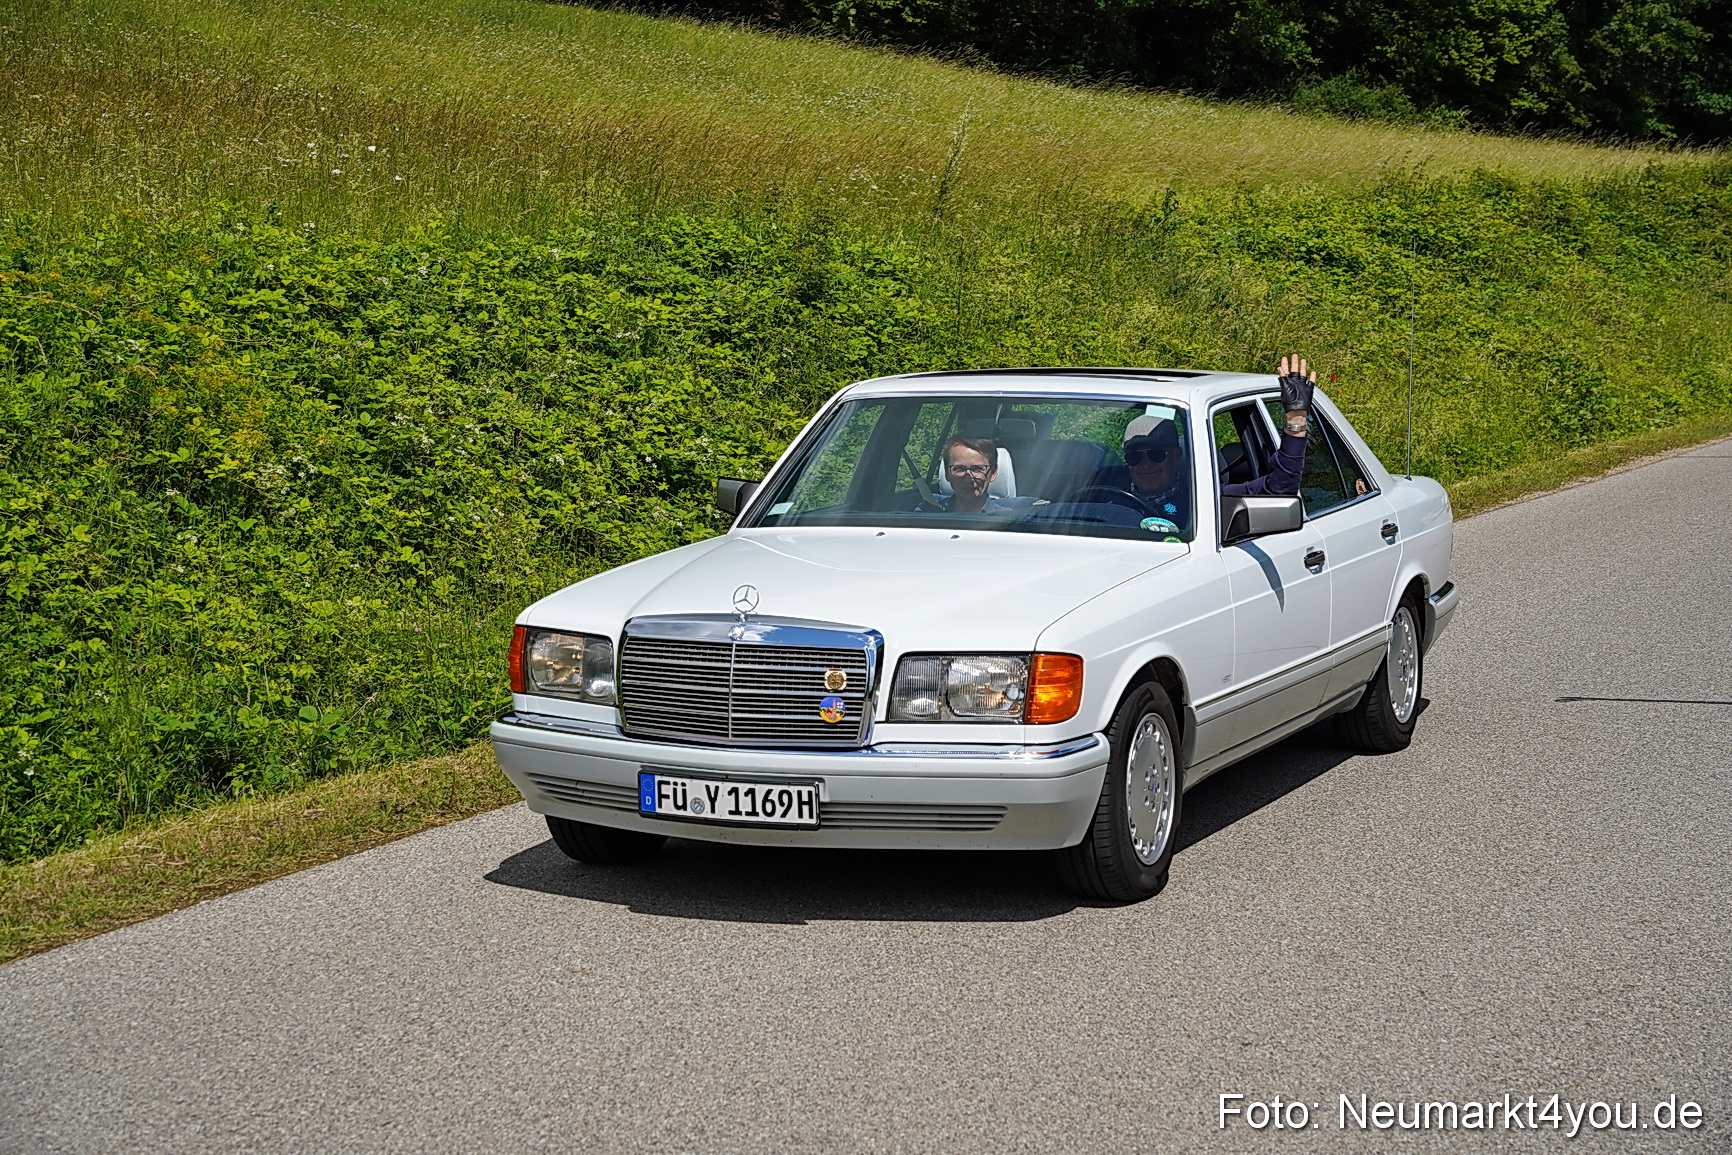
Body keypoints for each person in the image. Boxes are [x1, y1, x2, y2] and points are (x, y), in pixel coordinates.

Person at [1109, 353, 1317, 517]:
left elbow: (1280, 490)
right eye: (1134, 457)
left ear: (1175, 456)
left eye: (1156, 455)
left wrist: (1296, 419)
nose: (1145, 464)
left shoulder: (1206, 499)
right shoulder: (1106, 496)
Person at [928, 434, 1022, 514]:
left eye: (977, 469)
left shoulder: (1008, 522)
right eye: (959, 469)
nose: (968, 479)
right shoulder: (929, 515)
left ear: (993, 473)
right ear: (947, 473)